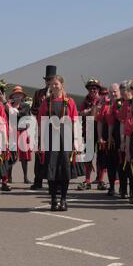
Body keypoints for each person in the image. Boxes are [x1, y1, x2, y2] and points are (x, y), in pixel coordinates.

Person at [38, 75, 84, 211]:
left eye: (56, 84)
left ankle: (63, 199)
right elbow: (41, 122)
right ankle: (53, 200)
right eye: (51, 84)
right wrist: (40, 141)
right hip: (50, 138)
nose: (53, 86)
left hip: (66, 138)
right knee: (51, 170)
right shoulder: (46, 102)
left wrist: (77, 142)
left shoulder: (69, 101)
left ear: (62, 85)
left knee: (65, 170)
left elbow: (75, 122)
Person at [30, 65, 56, 190]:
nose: (49, 82)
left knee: (53, 155)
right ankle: (38, 180)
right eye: (47, 80)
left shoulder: (58, 95)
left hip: (55, 129)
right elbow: (33, 109)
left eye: (51, 80)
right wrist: (41, 108)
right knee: (39, 154)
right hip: (40, 127)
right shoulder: (38, 93)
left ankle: (53, 180)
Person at [103, 83, 129, 198]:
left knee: (123, 164)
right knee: (111, 164)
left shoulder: (124, 103)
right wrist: (109, 137)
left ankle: (123, 189)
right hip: (113, 137)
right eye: (111, 92)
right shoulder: (110, 104)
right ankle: (112, 187)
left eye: (115, 91)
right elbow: (109, 122)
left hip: (123, 136)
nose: (113, 94)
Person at [77, 78, 102, 191]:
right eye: (91, 88)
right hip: (89, 130)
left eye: (95, 88)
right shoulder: (85, 101)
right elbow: (79, 113)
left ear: (98, 89)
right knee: (89, 155)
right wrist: (87, 112)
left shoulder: (102, 100)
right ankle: (87, 180)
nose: (93, 90)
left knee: (102, 156)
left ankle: (100, 179)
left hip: (101, 130)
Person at [7, 85, 32, 184]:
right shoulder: (9, 106)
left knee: (24, 157)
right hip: (12, 132)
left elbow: (21, 115)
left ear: (22, 96)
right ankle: (9, 177)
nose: (18, 96)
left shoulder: (26, 105)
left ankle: (25, 177)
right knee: (11, 156)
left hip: (22, 131)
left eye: (20, 94)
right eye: (16, 94)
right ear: (13, 96)